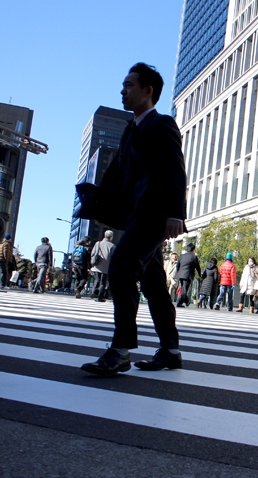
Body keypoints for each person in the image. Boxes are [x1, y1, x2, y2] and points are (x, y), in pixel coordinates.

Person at [80, 63, 187, 375]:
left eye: (129, 85)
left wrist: (175, 213)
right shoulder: (131, 129)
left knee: (122, 268)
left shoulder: (162, 124)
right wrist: (97, 200)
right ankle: (170, 350)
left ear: (147, 90)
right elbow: (118, 175)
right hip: (135, 215)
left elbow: (174, 169)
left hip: (154, 216)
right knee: (153, 284)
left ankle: (121, 349)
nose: (123, 91)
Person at [91, 230, 116, 302]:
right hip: (106, 267)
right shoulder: (112, 246)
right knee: (103, 282)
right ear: (111, 237)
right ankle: (100, 297)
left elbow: (92, 253)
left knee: (97, 279)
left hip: (97, 265)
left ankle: (94, 292)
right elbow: (114, 258)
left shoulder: (98, 243)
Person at [175, 243, 201, 307]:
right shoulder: (194, 257)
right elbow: (197, 267)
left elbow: (177, 265)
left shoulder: (182, 256)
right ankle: (179, 302)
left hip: (181, 274)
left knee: (184, 289)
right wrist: (200, 274)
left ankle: (186, 301)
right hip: (188, 275)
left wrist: (178, 272)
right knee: (184, 289)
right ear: (193, 249)